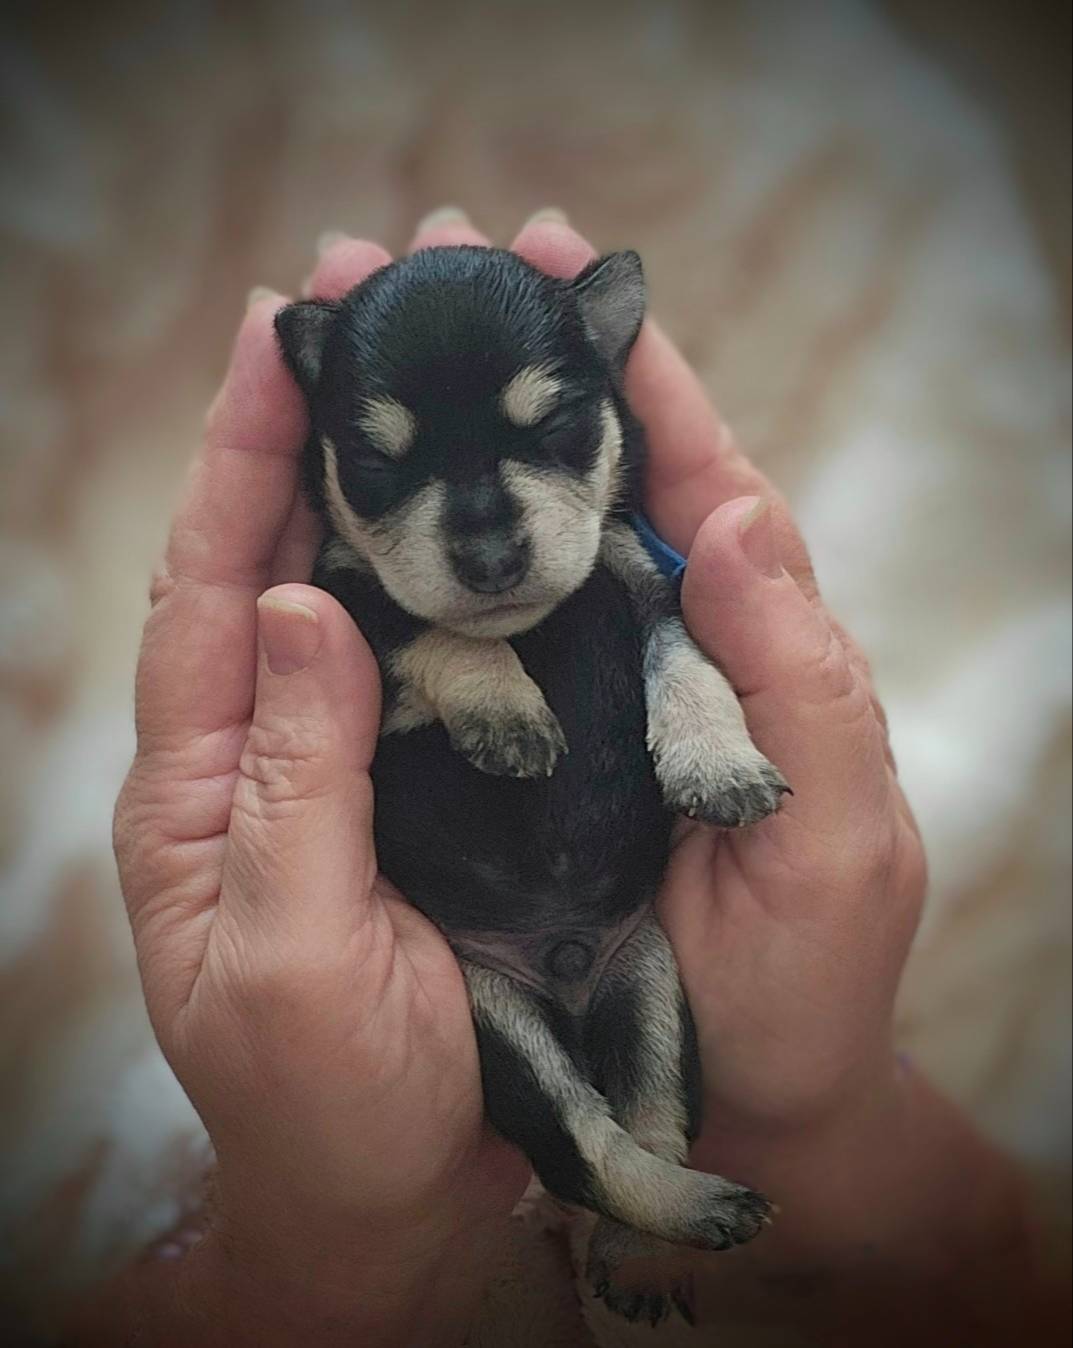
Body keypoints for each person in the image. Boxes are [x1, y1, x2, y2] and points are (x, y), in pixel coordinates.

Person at [70, 210, 1053, 1346]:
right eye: (390, 468)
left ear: (603, 371)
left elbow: (673, 640)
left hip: (631, 920)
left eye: (547, 437)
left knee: (652, 1009)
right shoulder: (356, 594)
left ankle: (655, 1179)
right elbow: (366, 687)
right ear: (330, 461)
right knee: (527, 1052)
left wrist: (708, 744)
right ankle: (610, 1172)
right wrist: (448, 662)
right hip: (466, 954)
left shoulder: (619, 548)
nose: (486, 541)